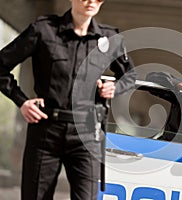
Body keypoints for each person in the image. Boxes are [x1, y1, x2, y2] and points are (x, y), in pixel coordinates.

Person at [0, 0, 136, 199]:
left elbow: (130, 76)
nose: (92, 1)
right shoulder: (43, 30)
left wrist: (115, 86)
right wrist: (22, 101)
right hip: (45, 130)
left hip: (87, 134)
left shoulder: (109, 38)